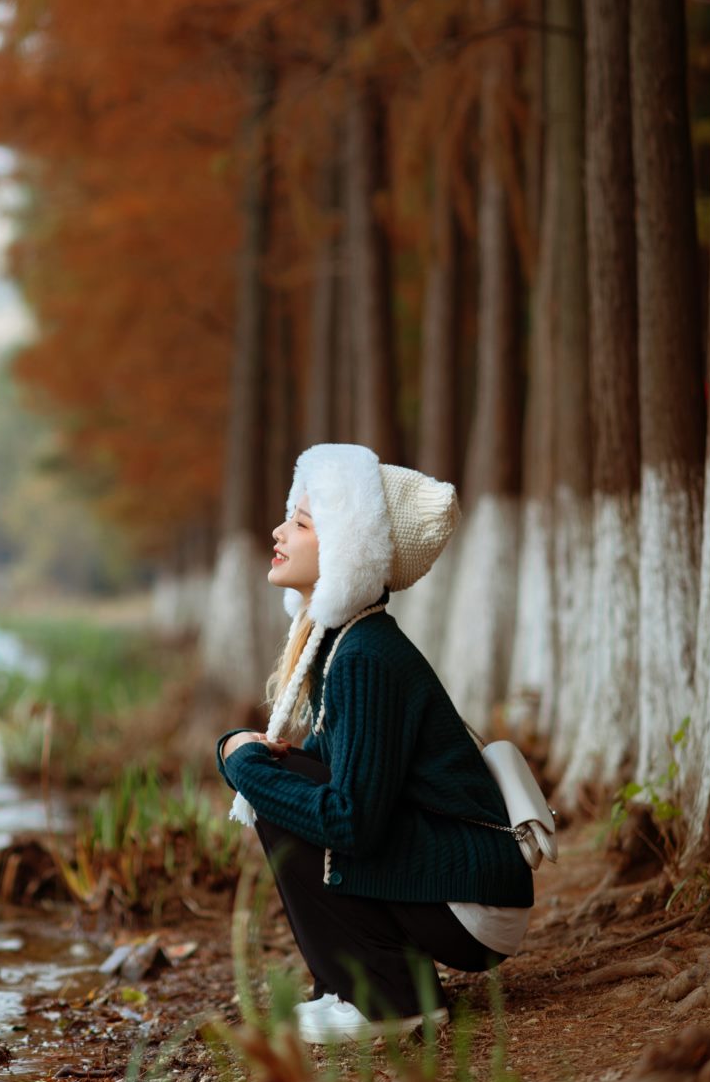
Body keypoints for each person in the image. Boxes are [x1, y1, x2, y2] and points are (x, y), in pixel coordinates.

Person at [216, 442, 534, 1044]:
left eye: (301, 524)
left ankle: (390, 999)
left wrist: (245, 767)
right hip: (458, 875)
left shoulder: (366, 655)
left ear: (347, 549)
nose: (279, 532)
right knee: (279, 782)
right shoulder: (345, 643)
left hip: (475, 899)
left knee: (277, 793)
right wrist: (244, 754)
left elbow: (351, 823)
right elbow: (328, 775)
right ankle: (351, 985)